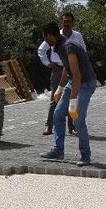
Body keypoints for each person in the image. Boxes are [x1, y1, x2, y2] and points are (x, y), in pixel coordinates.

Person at [39, 22, 97, 166]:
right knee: (58, 114)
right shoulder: (58, 47)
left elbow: (77, 75)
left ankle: (85, 156)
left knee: (77, 119)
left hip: (86, 84)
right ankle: (58, 150)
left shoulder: (68, 46)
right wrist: (60, 87)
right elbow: (67, 67)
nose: (45, 41)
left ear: (51, 35)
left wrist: (73, 101)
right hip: (74, 82)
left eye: (45, 38)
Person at [36, 13, 84, 136]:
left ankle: (71, 126)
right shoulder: (54, 35)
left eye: (68, 21)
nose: (66, 23)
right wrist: (48, 63)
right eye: (64, 21)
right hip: (58, 69)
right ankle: (49, 126)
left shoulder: (77, 36)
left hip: (73, 69)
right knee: (55, 97)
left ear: (72, 23)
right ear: (61, 22)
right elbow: (41, 49)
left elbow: (83, 51)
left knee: (72, 97)